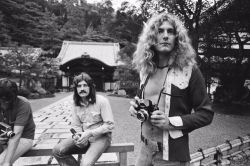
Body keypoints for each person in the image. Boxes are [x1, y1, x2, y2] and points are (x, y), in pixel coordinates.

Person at [129, 12, 214, 166]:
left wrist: (171, 122)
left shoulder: (189, 70)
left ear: (177, 38)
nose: (166, 35)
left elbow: (206, 114)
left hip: (171, 157)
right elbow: (142, 101)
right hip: (144, 151)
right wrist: (135, 108)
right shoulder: (146, 70)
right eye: (160, 31)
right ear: (152, 38)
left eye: (171, 31)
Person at [53, 72, 115, 166]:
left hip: (101, 137)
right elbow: (76, 125)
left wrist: (89, 133)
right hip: (84, 135)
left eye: (85, 85)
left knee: (85, 164)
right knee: (57, 150)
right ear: (76, 89)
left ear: (90, 87)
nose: (82, 89)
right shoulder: (75, 104)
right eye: (79, 86)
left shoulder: (102, 101)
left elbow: (110, 125)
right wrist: (77, 136)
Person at [0, 78, 35, 166]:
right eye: (3, 100)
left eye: (8, 100)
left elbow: (16, 135)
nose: (6, 103)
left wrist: (6, 162)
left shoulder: (23, 104)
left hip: (24, 138)